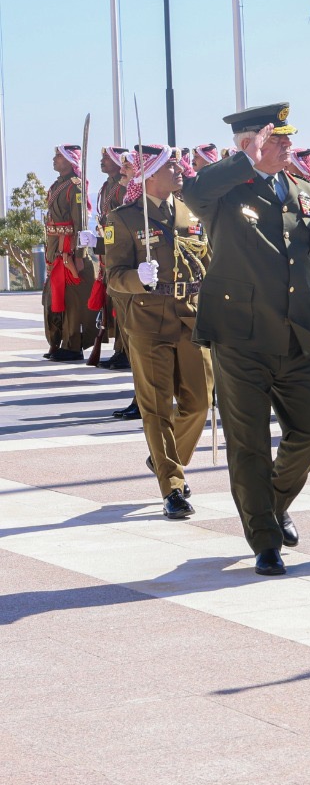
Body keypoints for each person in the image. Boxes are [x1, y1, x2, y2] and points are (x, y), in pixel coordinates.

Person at [187, 103, 310, 577]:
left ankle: (269, 504)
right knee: (248, 444)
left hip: (297, 335)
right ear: (250, 143)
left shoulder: (304, 191)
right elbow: (194, 189)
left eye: (290, 136)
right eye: (277, 137)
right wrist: (244, 160)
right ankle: (265, 540)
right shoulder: (224, 191)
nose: (289, 144)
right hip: (240, 335)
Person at [103, 145, 214, 520]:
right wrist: (138, 277)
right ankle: (173, 486)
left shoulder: (189, 212)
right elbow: (114, 276)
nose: (180, 169)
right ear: (149, 174)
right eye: (170, 165)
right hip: (148, 321)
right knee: (156, 407)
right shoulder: (122, 219)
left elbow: (207, 262)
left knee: (200, 401)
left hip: (191, 316)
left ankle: (166, 460)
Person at [42, 145, 96, 362]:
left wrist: (80, 255)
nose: (54, 159)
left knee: (72, 300)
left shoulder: (75, 187)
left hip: (68, 249)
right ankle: (58, 340)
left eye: (59, 156)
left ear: (69, 160)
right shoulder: (58, 185)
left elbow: (81, 223)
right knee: (54, 296)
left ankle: (73, 345)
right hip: (55, 247)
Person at [88, 147, 129, 369]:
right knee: (112, 302)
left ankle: (125, 351)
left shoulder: (123, 187)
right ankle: (119, 349)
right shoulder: (106, 187)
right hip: (108, 248)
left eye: (106, 158)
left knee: (120, 302)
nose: (102, 162)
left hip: (119, 248)